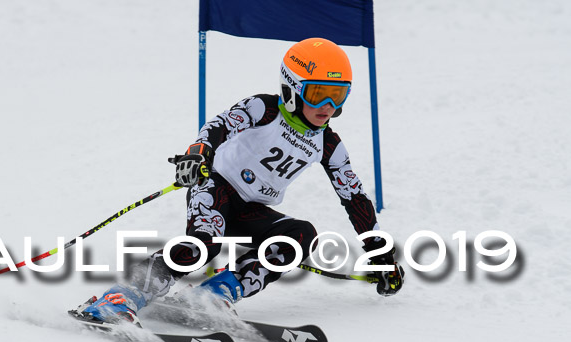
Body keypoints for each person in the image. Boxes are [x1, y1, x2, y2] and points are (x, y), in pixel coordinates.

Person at [82, 38, 404, 324]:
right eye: (318, 94)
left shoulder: (329, 144)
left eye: (338, 95)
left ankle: (213, 294)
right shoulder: (264, 108)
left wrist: (381, 255)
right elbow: (219, 125)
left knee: (301, 236)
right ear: (292, 88)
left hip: (251, 209)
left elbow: (354, 197)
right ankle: (121, 296)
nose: (328, 107)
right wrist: (198, 154)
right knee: (202, 245)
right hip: (215, 185)